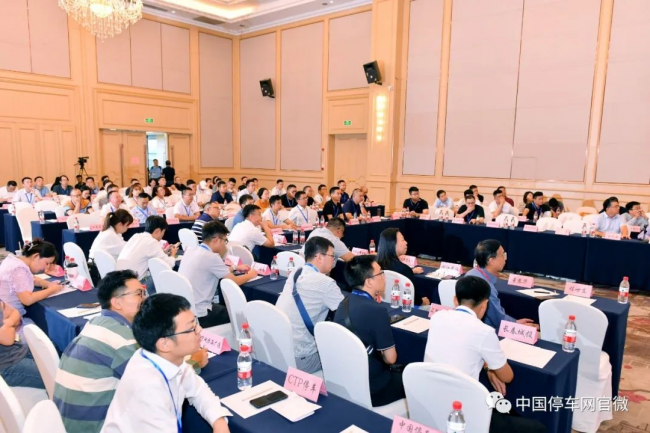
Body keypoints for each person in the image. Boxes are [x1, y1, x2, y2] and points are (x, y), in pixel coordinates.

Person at [424, 276, 546, 433]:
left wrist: (488, 365)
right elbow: (507, 377)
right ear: (484, 305)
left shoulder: (437, 317)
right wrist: (491, 367)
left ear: (455, 300)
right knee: (537, 428)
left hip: (431, 400)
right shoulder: (484, 331)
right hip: (465, 412)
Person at [101, 294, 231, 432]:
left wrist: (219, 422)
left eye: (196, 323)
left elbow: (199, 391)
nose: (199, 330)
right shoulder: (147, 390)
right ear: (164, 344)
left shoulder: (163, 357)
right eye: (191, 328)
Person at [334, 255, 405, 407]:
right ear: (369, 282)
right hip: (373, 388)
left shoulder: (344, 302)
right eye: (380, 273)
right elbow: (391, 359)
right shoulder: (377, 311)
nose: (384, 277)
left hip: (346, 378)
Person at [276, 237, 343, 373]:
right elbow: (346, 312)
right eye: (332, 256)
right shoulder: (326, 283)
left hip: (279, 348)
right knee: (343, 355)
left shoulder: (296, 272)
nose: (334, 261)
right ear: (319, 257)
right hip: (302, 358)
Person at [179, 221, 257, 328]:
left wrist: (235, 267)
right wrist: (251, 274)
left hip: (185, 307)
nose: (225, 245)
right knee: (240, 315)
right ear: (216, 240)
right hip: (201, 313)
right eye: (225, 240)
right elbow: (234, 281)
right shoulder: (212, 257)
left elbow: (213, 270)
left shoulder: (192, 250)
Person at [466, 240, 537, 330]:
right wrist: (516, 324)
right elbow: (498, 320)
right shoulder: (486, 287)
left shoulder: (470, 273)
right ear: (491, 260)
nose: (505, 258)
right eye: (502, 255)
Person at [0, 239, 63, 317]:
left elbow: (30, 278)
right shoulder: (18, 269)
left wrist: (48, 284)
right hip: (10, 318)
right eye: (47, 263)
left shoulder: (14, 260)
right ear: (36, 256)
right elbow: (27, 300)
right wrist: (52, 290)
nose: (46, 267)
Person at [117, 216, 178, 293]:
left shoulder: (136, 236)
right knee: (165, 276)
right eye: (163, 232)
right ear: (158, 231)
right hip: (135, 284)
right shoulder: (151, 242)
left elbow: (145, 253)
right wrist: (173, 254)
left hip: (120, 281)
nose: (163, 235)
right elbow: (169, 265)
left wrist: (163, 251)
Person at [376, 228, 429, 305]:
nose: (406, 243)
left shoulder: (376, 265)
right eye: (403, 240)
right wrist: (423, 302)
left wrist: (412, 271)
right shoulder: (404, 270)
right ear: (393, 243)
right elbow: (413, 298)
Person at [0, 300, 45, 389]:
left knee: (56, 364)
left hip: (18, 351)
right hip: (7, 364)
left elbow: (16, 313)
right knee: (57, 378)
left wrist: (8, 323)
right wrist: (8, 322)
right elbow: (8, 339)